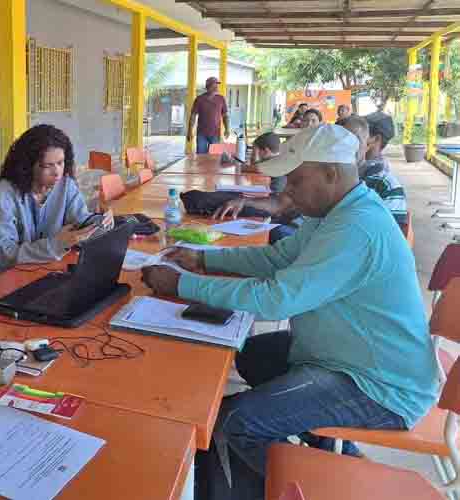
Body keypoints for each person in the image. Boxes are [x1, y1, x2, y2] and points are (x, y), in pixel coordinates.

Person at [141, 125, 438, 500]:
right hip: (339, 354)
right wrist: (204, 258)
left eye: (296, 180)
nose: (288, 191)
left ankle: (318, 487)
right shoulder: (333, 213)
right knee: (250, 358)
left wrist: (181, 285)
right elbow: (278, 258)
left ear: (332, 173)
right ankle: (332, 451)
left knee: (235, 422)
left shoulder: (356, 227)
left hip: (376, 384)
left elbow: (277, 298)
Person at [0, 124, 113, 282]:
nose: (57, 172)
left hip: (48, 273)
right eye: (47, 165)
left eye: (60, 163)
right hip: (5, 281)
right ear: (28, 167)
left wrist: (99, 222)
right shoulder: (4, 194)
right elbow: (3, 254)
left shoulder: (66, 185)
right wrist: (56, 245)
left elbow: (80, 221)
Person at [214, 133, 301, 243]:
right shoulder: (283, 162)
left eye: (254, 150)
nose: (253, 154)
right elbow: (278, 204)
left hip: (286, 221)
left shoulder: (275, 163)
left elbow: (249, 168)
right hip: (283, 214)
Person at [338, 114, 408, 227]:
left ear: (370, 142)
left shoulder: (385, 184)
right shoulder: (330, 179)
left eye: (354, 139)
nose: (344, 145)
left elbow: (389, 235)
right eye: (339, 139)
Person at [187, 76, 230, 154]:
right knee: (201, 158)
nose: (216, 87)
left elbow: (225, 116)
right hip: (201, 134)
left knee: (214, 158)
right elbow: (193, 116)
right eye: (214, 85)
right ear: (208, 86)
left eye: (217, 85)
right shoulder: (199, 99)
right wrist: (189, 131)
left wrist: (227, 129)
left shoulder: (221, 99)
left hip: (215, 134)